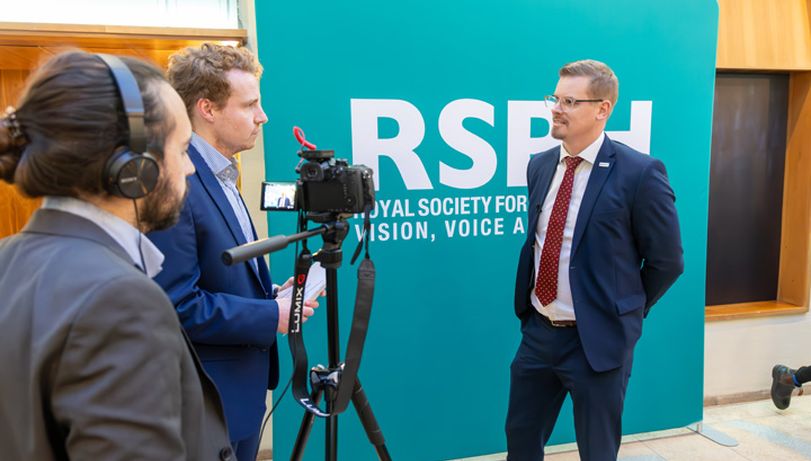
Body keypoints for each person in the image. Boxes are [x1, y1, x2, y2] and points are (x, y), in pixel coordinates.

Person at [0, 51, 234, 460]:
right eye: (182, 150)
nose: (190, 170)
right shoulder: (120, 299)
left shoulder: (8, 259)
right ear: (133, 167)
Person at [506, 59, 684, 461]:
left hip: (598, 341)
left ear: (603, 109)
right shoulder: (540, 165)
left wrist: (623, 309)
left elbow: (668, 261)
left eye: (570, 101)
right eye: (555, 98)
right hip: (538, 334)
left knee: (597, 451)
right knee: (520, 440)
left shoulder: (639, 173)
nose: (556, 109)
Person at [148, 43, 318, 460]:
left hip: (238, 397)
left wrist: (270, 296)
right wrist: (271, 315)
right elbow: (174, 305)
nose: (263, 117)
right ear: (207, 108)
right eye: (250, 105)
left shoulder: (221, 173)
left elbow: (214, 274)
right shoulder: (177, 182)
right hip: (204, 403)